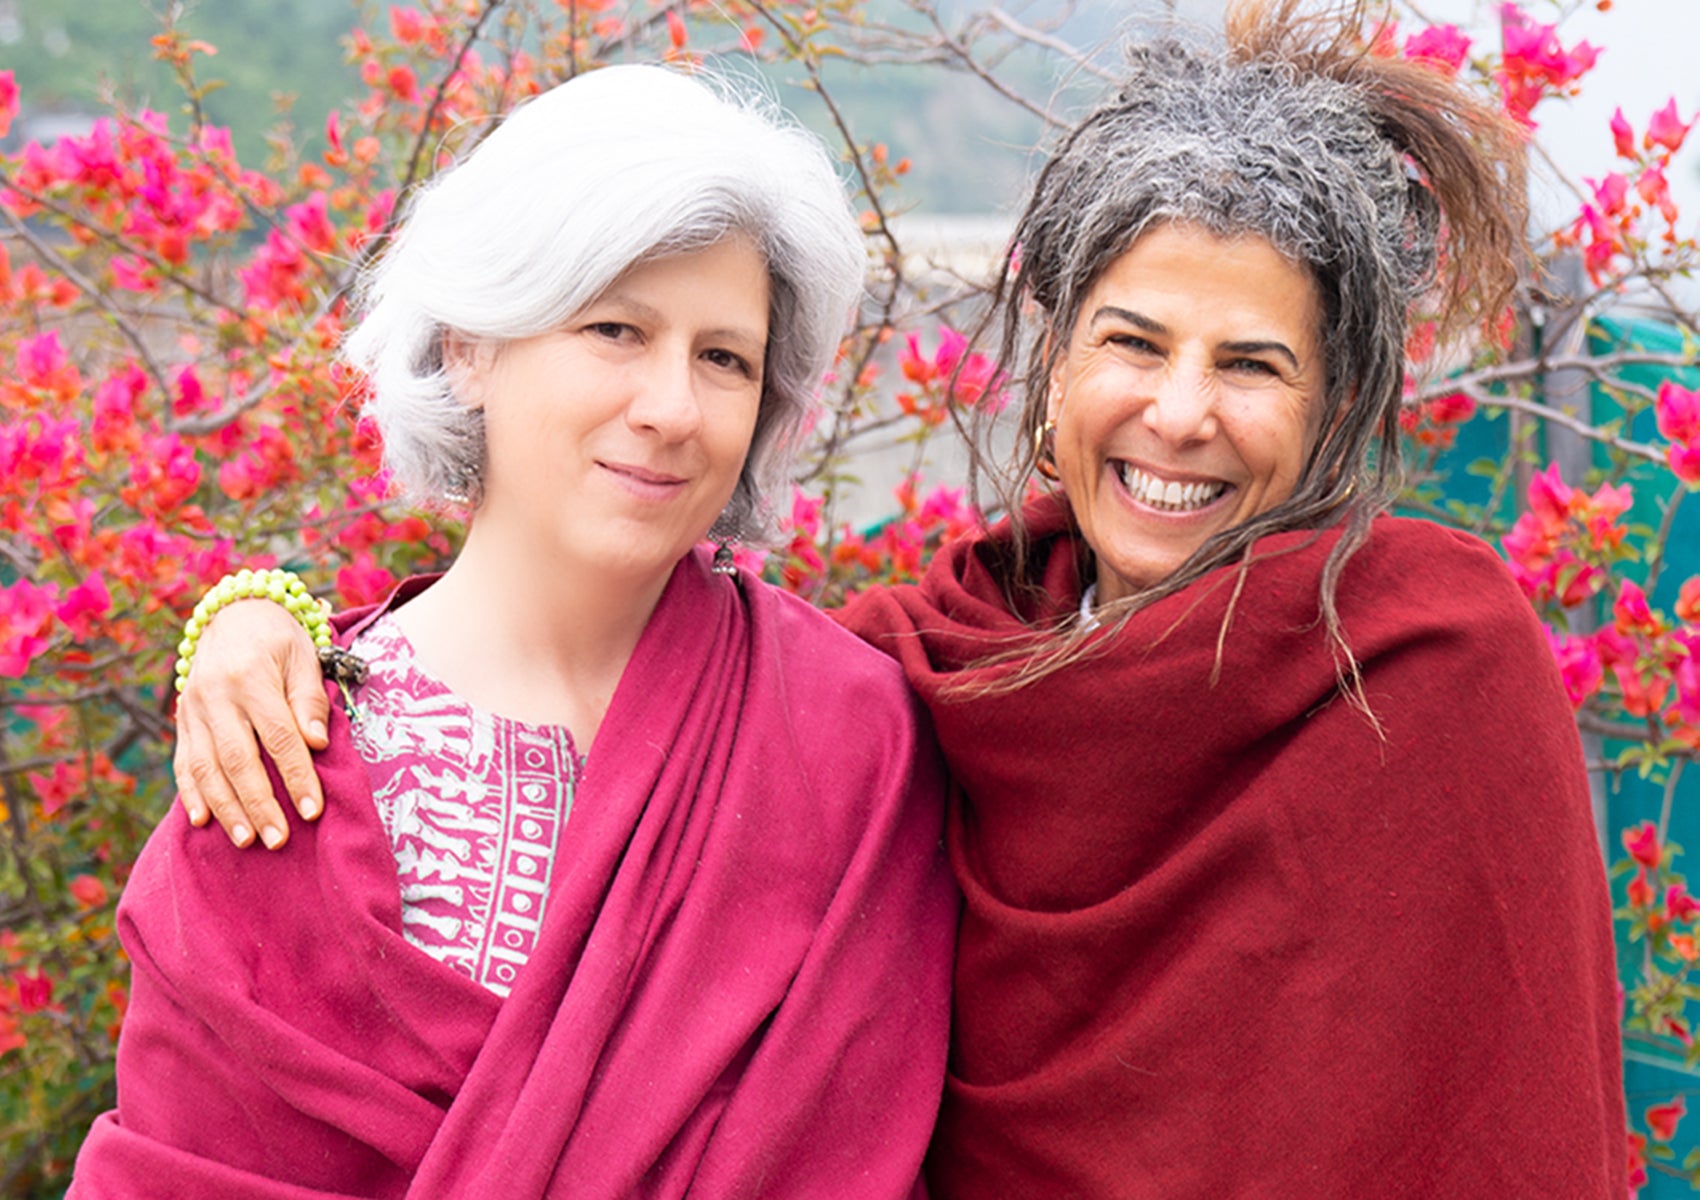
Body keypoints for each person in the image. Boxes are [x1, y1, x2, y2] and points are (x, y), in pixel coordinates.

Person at [161, 2, 1629, 1195]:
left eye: (1252, 364)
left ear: (1335, 409)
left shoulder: (1420, 660)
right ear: (1053, 375)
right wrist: (254, 621)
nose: (1179, 412)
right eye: (1133, 341)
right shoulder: (931, 675)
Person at [70, 64, 958, 1200]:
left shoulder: (845, 740)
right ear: (467, 345)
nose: (672, 408)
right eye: (615, 329)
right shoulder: (277, 755)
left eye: (722, 357)